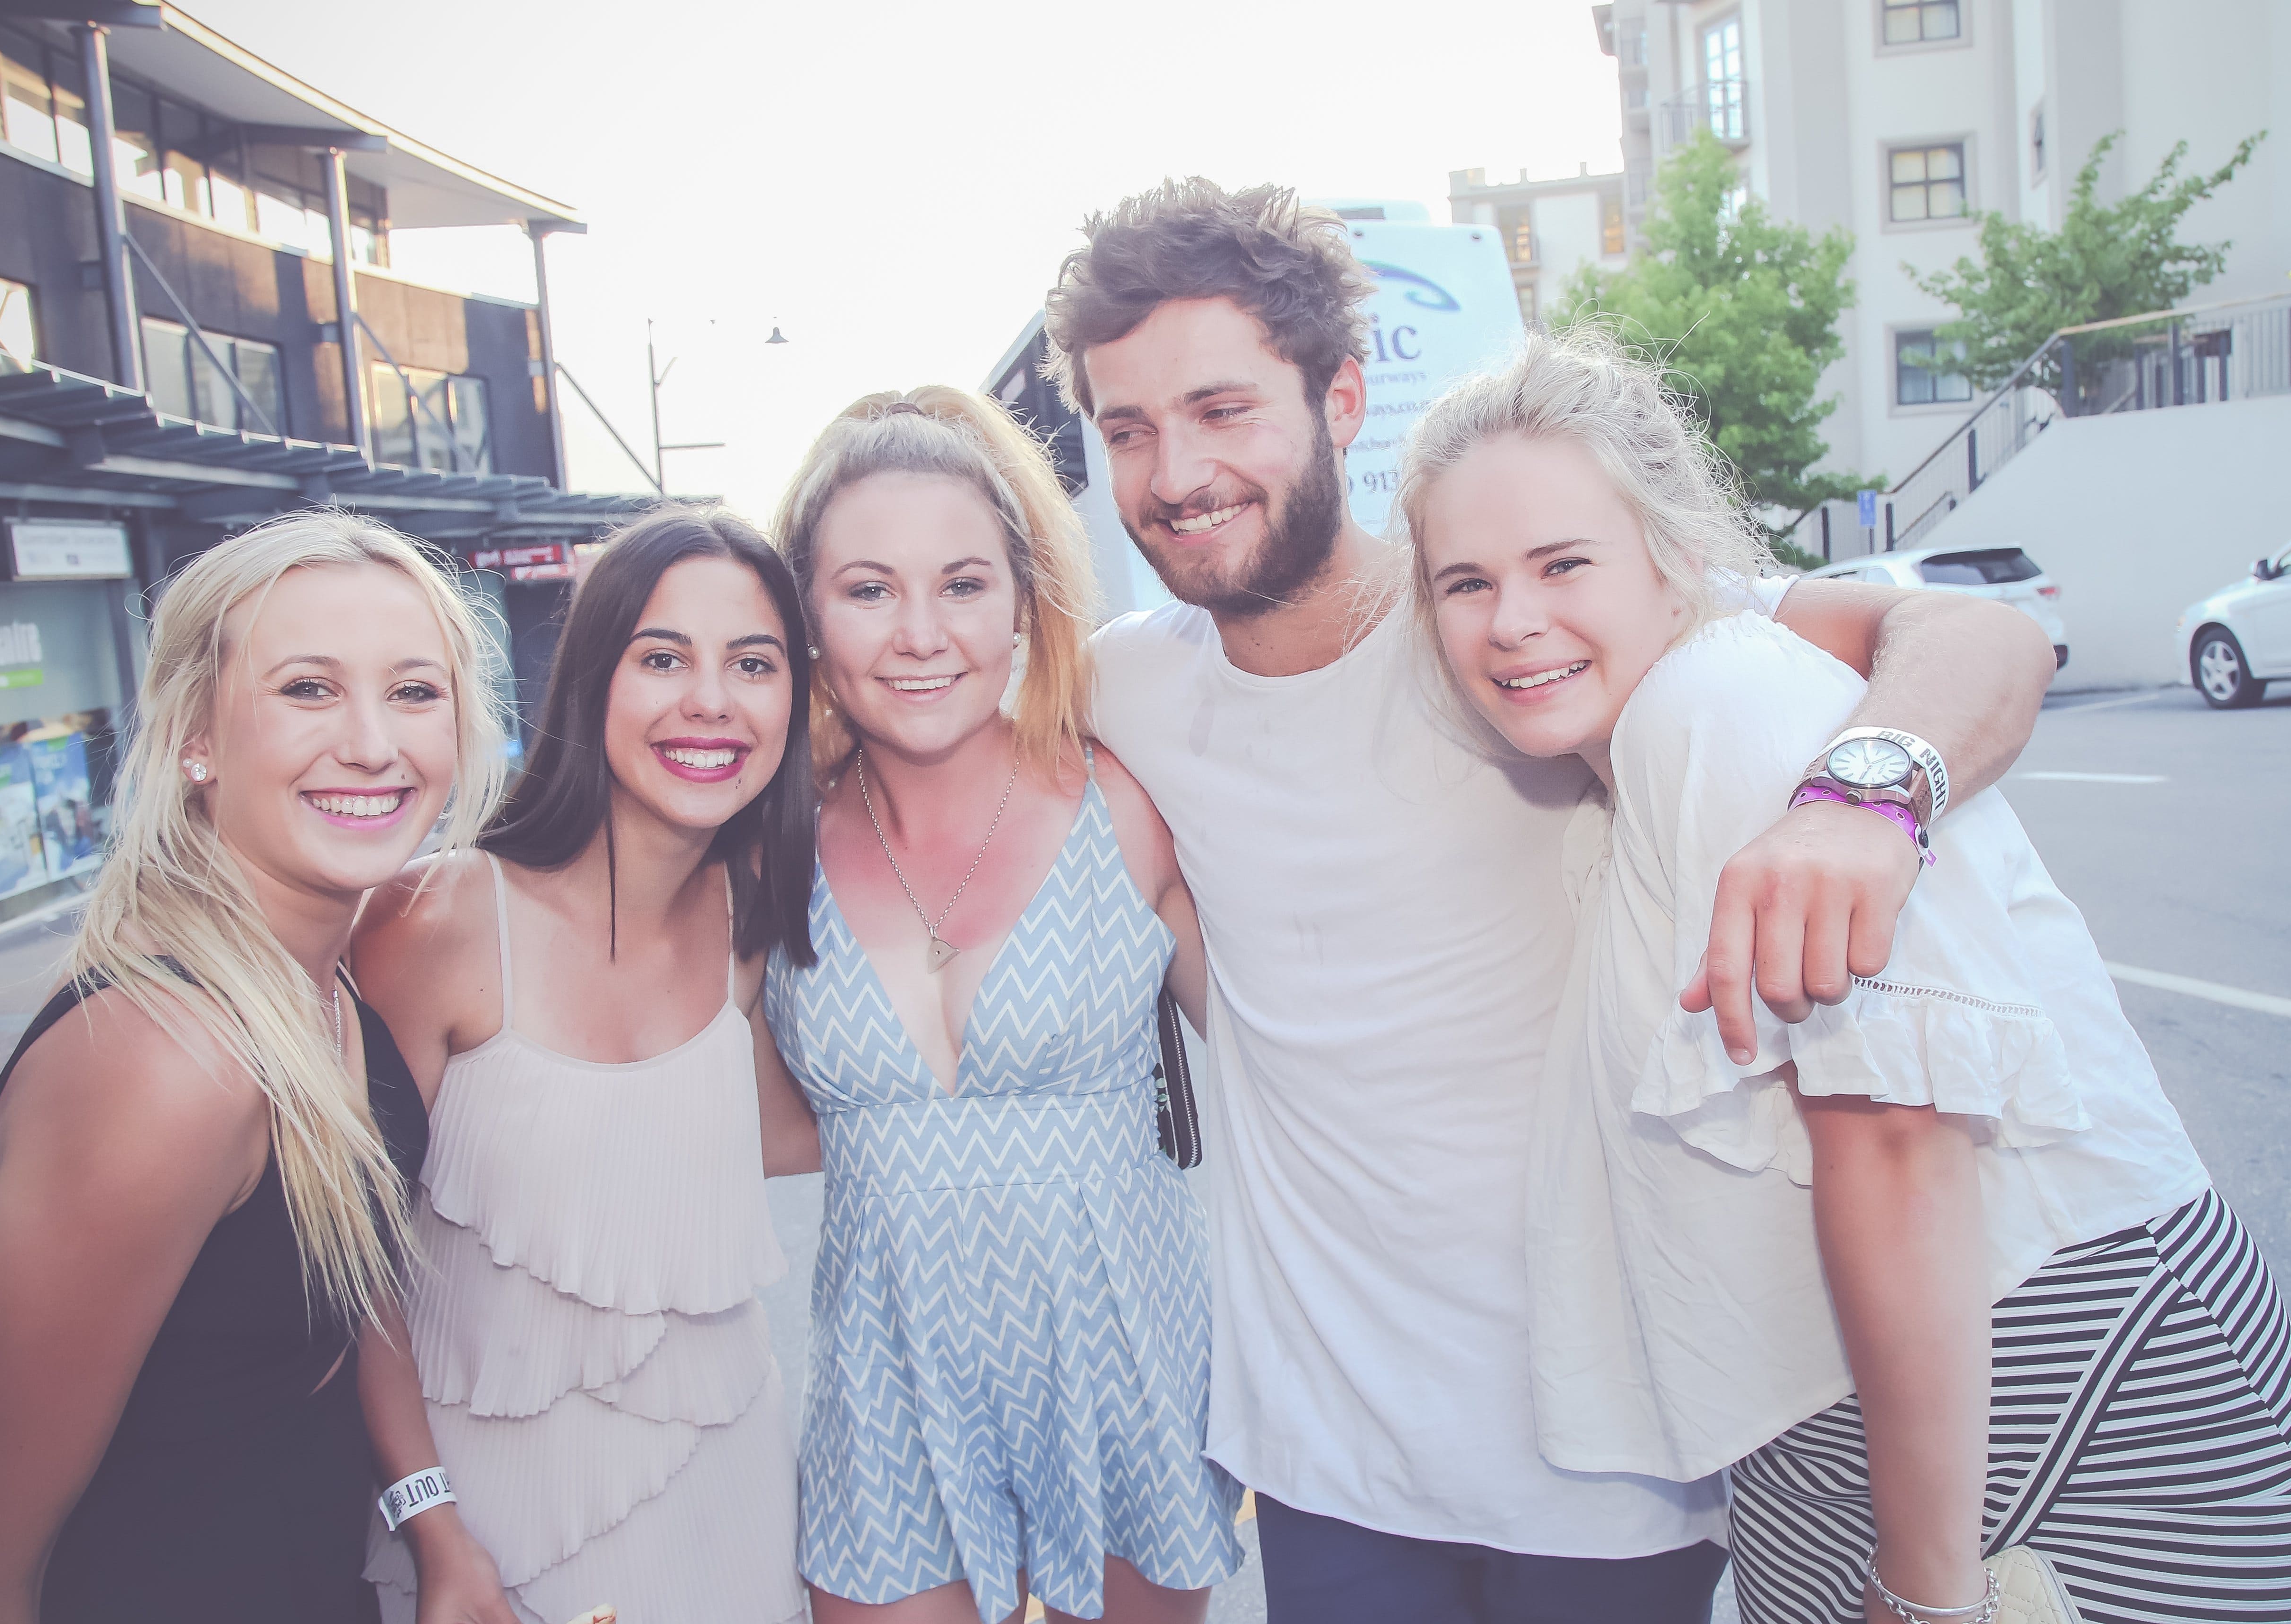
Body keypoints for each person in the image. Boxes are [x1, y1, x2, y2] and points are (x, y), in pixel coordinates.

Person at [1043, 179, 2065, 1623]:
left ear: (1338, 401)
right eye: (1127, 427)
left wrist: (1863, 805)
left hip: (1612, 1457)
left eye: (1220, 409)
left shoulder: (1507, 617)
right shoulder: (1127, 684)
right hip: (1331, 1454)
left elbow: (1973, 637)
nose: (1173, 471)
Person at [1400, 328, 2291, 1624]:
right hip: (1905, 1412)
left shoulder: (1713, 704)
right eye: (1463, 581)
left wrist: (1928, 1591)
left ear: (1671, 560)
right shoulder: (1668, 720)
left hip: (2046, 1386)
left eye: (1560, 563)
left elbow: (1892, 1138)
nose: (1512, 619)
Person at [0, 511, 516, 1624]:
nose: (374, 743)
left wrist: (433, 1520)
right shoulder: (168, 1060)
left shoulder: (324, 982)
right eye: (308, 689)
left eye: (415, 692)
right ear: (196, 734)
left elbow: (338, 1261)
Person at [763, 387, 1240, 1624]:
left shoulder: (1126, 802)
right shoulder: (764, 853)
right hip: (883, 1386)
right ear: (805, 612)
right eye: (867, 590)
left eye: (962, 584)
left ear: (1023, 600)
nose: (920, 633)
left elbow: (1295, 1058)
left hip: (1122, 1369)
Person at [352, 506, 821, 1624]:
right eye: (662, 657)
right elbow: (347, 1269)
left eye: (751, 663)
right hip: (485, 1529)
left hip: (729, 1505)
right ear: (589, 678)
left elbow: (789, 1131)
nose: (710, 699)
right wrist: (434, 1530)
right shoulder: (438, 918)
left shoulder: (749, 910)